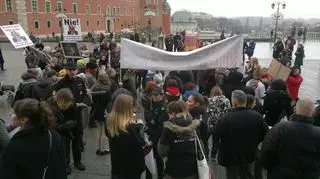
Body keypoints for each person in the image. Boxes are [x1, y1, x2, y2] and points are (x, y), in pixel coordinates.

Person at [0, 98, 67, 179]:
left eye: (13, 113)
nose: (10, 114)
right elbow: (62, 165)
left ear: (23, 119)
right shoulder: (53, 135)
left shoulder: (16, 144)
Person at [214, 90, 269, 179]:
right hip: (250, 152)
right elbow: (266, 134)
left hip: (230, 155)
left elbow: (216, 135)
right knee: (248, 173)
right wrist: (256, 141)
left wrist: (215, 150)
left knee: (232, 175)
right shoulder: (257, 116)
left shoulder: (225, 118)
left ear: (234, 102)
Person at [261, 98, 320, 179]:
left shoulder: (280, 128)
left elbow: (267, 149)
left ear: (295, 109)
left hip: (280, 174)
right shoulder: (317, 133)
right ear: (314, 113)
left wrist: (270, 168)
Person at [54, 62, 87, 171]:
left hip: (77, 116)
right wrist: (73, 105)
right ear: (66, 70)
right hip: (66, 117)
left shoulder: (80, 81)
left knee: (77, 141)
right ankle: (66, 164)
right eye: (70, 70)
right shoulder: (60, 84)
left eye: (74, 70)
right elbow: (57, 101)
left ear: (77, 70)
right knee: (65, 143)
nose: (72, 72)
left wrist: (85, 101)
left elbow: (85, 94)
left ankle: (78, 161)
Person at [106, 95, 146, 179]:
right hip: (132, 166)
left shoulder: (110, 121)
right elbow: (141, 142)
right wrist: (140, 126)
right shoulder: (131, 128)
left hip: (117, 163)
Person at [158, 100, 200, 179]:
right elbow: (200, 148)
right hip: (192, 170)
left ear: (173, 113)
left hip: (174, 170)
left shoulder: (168, 129)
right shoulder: (194, 126)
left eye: (169, 114)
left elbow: (162, 152)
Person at [48, 88, 82, 174]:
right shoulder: (51, 107)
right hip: (62, 131)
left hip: (73, 126)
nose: (69, 104)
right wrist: (65, 126)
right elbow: (53, 125)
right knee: (64, 148)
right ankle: (66, 165)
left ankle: (77, 162)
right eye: (67, 102)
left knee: (76, 145)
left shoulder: (69, 102)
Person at [145, 86, 168, 179]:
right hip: (149, 136)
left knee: (158, 159)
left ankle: (160, 176)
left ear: (161, 95)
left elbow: (161, 126)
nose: (153, 97)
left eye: (156, 95)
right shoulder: (151, 105)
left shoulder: (163, 108)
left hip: (157, 137)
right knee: (148, 158)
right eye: (153, 95)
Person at [207, 86, 231, 160]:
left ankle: (206, 154)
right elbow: (229, 111)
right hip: (222, 122)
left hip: (211, 122)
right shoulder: (226, 100)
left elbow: (207, 112)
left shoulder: (209, 100)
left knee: (206, 139)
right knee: (216, 140)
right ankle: (214, 155)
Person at [91, 74, 112, 155]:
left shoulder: (95, 88)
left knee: (99, 130)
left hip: (96, 111)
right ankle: (102, 149)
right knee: (103, 131)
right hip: (104, 111)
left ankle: (98, 148)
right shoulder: (107, 89)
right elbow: (109, 101)